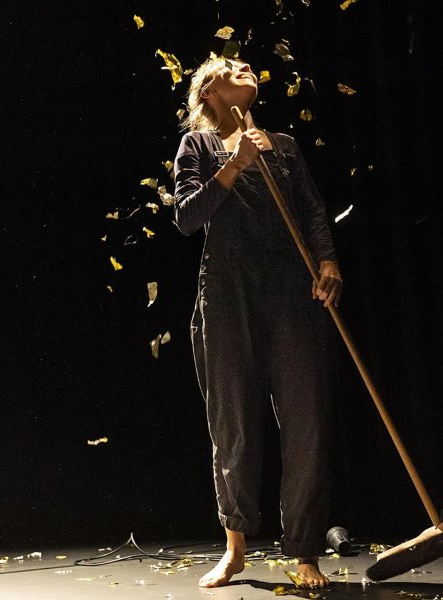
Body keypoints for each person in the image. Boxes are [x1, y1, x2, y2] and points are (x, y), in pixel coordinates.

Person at [172, 55, 343, 589]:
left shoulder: (284, 145)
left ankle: (305, 550)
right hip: (227, 297)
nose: (245, 65)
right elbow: (185, 217)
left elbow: (313, 211)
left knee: (306, 422)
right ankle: (236, 547)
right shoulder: (196, 147)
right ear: (209, 92)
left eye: (247, 63)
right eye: (231, 65)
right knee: (234, 426)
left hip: (291, 293)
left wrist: (329, 262)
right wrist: (234, 163)